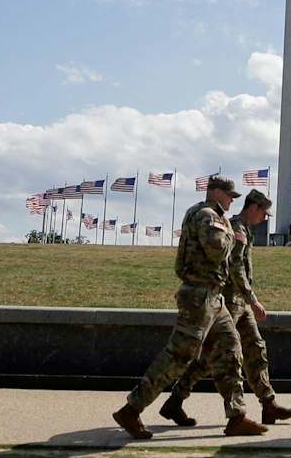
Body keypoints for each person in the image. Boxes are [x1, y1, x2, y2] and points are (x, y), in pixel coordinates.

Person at [112, 176, 265, 439]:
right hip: (199, 297)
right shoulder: (209, 215)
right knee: (178, 357)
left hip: (214, 298)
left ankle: (237, 416)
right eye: (229, 195)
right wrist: (233, 235)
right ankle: (131, 409)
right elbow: (217, 250)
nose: (231, 200)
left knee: (231, 350)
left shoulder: (207, 214)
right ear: (215, 192)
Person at [161, 189, 291, 428]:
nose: (265, 219)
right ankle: (176, 399)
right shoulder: (236, 228)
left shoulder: (244, 230)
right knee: (212, 357)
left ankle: (269, 404)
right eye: (264, 213)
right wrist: (252, 299)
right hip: (229, 302)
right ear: (253, 207)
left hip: (240, 303)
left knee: (256, 348)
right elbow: (236, 269)